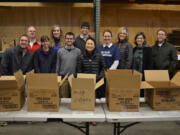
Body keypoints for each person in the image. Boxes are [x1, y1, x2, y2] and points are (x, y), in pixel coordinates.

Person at [56, 32, 81, 98]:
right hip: (63, 79)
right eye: (67, 38)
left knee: (74, 98)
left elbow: (79, 66)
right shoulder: (60, 51)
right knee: (64, 99)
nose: (69, 40)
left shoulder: (78, 51)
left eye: (71, 39)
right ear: (65, 39)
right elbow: (58, 65)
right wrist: (57, 77)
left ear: (73, 40)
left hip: (74, 79)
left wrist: (78, 76)